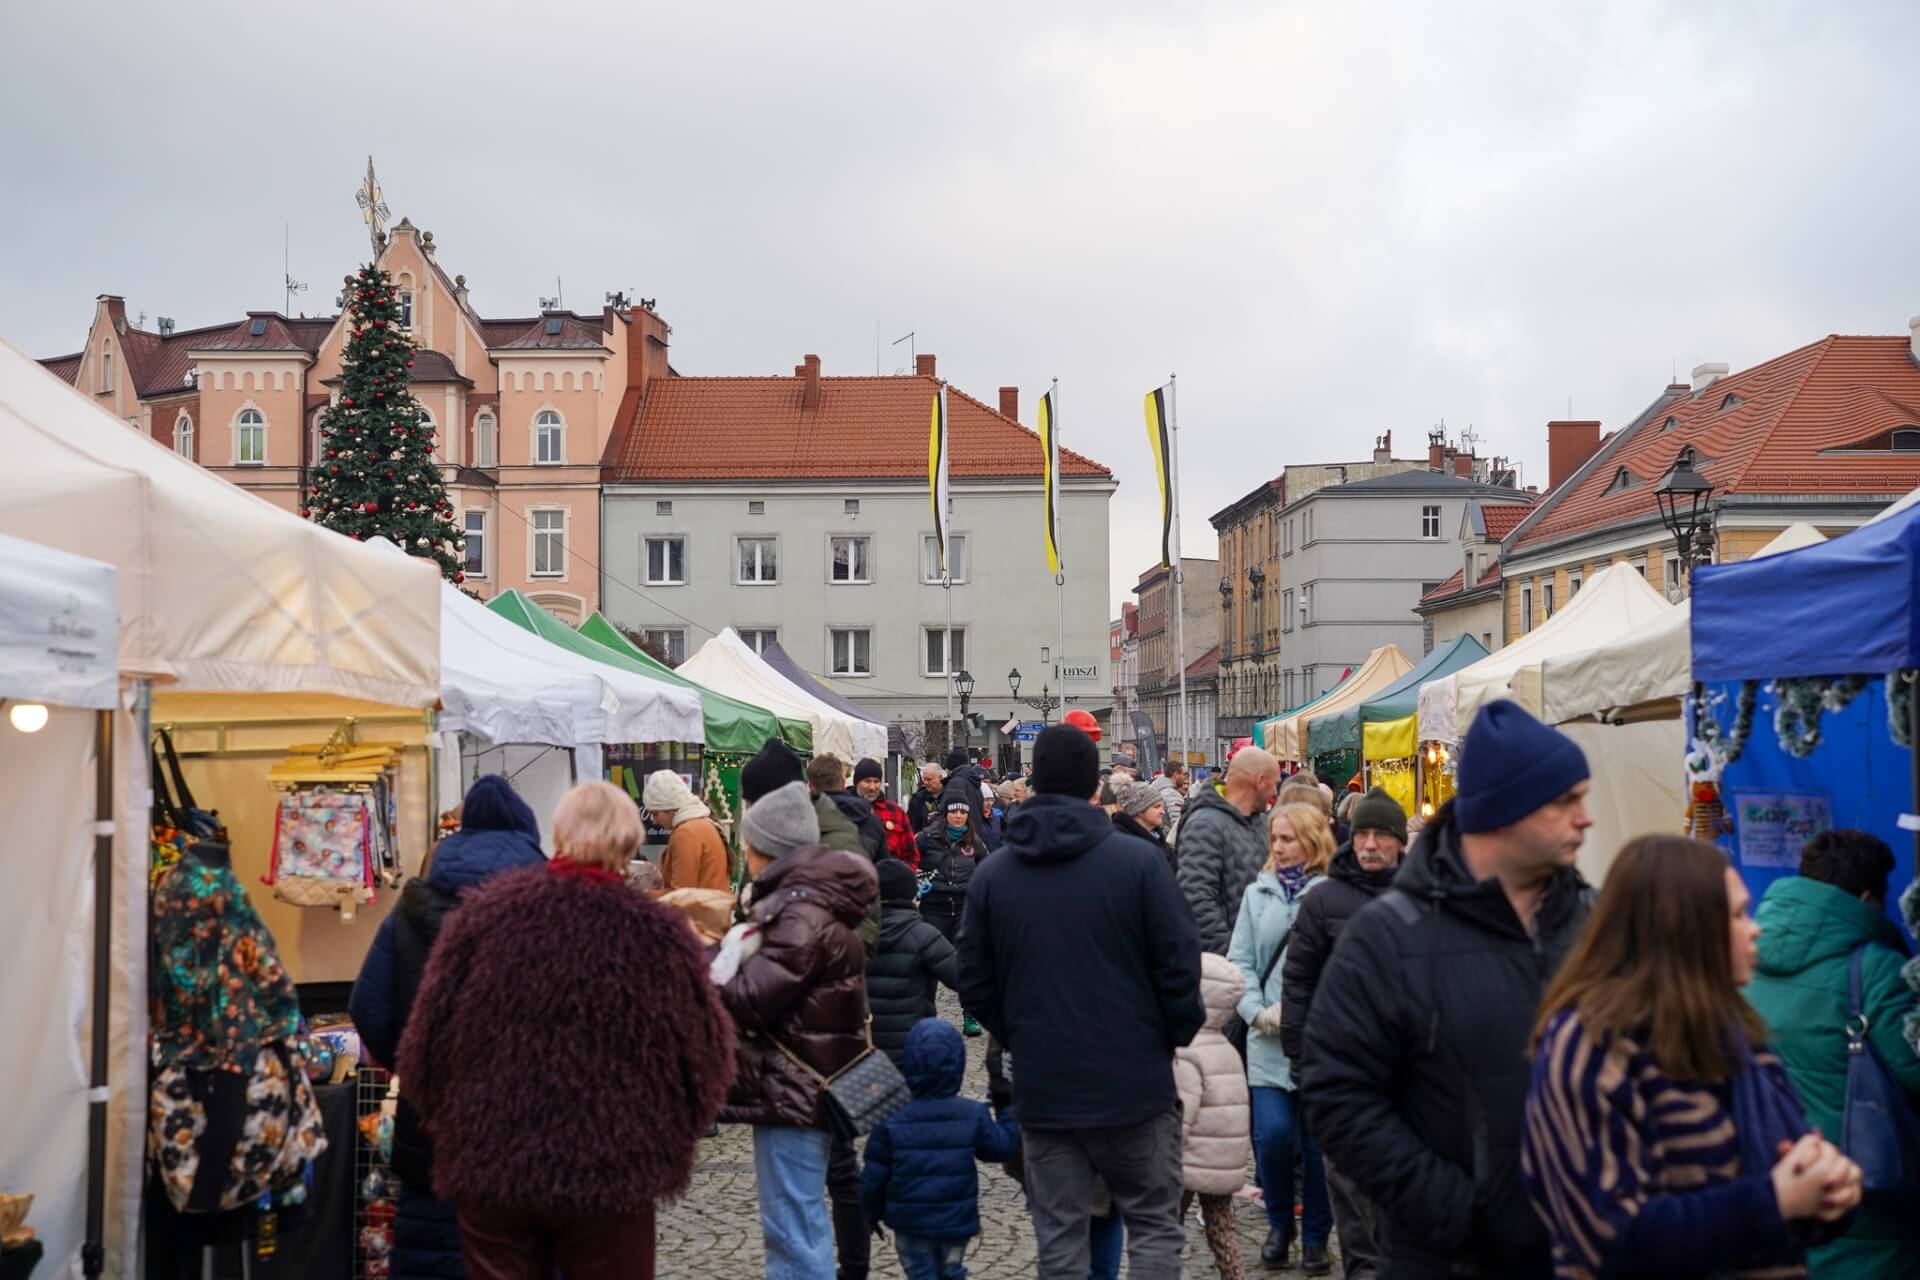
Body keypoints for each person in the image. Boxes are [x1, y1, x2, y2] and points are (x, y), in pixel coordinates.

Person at [1302, 700, 1595, 1278]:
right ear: (1505, 811)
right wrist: (1461, 1213)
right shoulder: (1386, 938)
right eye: (1566, 801)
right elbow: (1338, 1097)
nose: (1585, 818)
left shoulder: (1596, 920)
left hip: (1584, 1251)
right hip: (1444, 1259)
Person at [396, 781, 735, 1279]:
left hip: (494, 1165)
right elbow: (707, 1061)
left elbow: (422, 1049)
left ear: (558, 834)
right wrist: (663, 1137)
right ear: (627, 844)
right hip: (613, 1170)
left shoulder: (484, 918)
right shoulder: (659, 935)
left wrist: (459, 1129)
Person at [1524, 835, 1863, 1277]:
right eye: (1738, 914)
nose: (1755, 927)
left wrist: (1832, 1191)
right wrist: (1774, 1200)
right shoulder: (1589, 1048)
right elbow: (1607, 1237)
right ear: (1685, 927)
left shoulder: (1739, 1039)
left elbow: (1795, 1182)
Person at [956, 723, 1204, 1279]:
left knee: (1061, 1241)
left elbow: (972, 980)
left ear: (1035, 785)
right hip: (1136, 1083)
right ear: (1095, 788)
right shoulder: (1140, 864)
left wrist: (1021, 1029)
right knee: (1155, 1230)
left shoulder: (996, 876)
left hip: (1046, 1088)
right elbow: (1182, 967)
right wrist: (1166, 1037)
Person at [350, 775, 548, 1279]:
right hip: (527, 1126)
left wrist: (413, 1062)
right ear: (526, 833)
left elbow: (368, 1007)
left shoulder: (413, 907)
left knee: (433, 1248)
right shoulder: (550, 904)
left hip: (433, 1120)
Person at [716, 780, 878, 1280]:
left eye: (748, 843)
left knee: (792, 1231)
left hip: (796, 1092)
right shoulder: (814, 908)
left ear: (766, 849)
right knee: (799, 1223)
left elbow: (747, 1000)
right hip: (809, 1085)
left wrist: (702, 961)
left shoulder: (797, 917)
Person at [1745, 829, 1920, 1278]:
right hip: (1868, 1198)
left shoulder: (1745, 955)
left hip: (1778, 1181)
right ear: (1867, 899)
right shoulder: (1877, 968)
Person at [1278, 787, 1406, 1280]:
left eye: (1382, 835)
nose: (1371, 844)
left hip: (1406, 1066)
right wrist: (1300, 1054)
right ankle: (1363, 1268)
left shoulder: (1422, 894)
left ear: (1398, 841)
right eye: (1365, 833)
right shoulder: (1324, 899)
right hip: (1340, 1064)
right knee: (1347, 1179)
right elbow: (1300, 980)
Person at [1228, 802, 1334, 1275]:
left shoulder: (1331, 894)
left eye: (1288, 838)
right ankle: (1278, 1225)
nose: (1278, 846)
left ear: (1311, 839)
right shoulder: (1258, 894)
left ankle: (1315, 1237)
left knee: (1317, 1147)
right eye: (1275, 837)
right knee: (1271, 1138)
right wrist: (1255, 1012)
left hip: (1318, 1045)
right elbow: (1242, 962)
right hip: (1267, 1042)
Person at [858, 1019, 1021, 1280]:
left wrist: (868, 1215)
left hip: (910, 1223)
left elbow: (873, 1176)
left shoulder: (890, 1117)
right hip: (955, 1221)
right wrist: (1007, 1110)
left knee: (920, 1273)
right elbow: (1001, 1147)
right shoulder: (972, 1114)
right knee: (952, 1271)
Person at [1174, 952, 1253, 1280]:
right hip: (1223, 1165)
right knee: (1222, 1232)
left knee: (1165, 1230)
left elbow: (1182, 1114)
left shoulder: (1188, 1053)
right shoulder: (1228, 1049)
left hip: (1187, 1163)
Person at [1175, 745, 1281, 954]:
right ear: (1259, 781)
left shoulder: (1260, 821)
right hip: (1230, 966)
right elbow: (1195, 900)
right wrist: (1234, 955)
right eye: (1274, 784)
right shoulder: (1205, 824)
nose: (1275, 792)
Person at [918, 788, 996, 1036]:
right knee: (927, 963)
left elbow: (988, 870)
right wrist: (918, 881)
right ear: (946, 814)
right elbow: (909, 861)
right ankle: (925, 1014)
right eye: (954, 811)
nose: (959, 816)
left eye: (963, 811)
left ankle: (969, 1014)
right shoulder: (926, 838)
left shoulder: (975, 841)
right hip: (934, 906)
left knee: (967, 962)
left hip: (964, 907)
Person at [869, 859, 961, 1066]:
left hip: (865, 1048)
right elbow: (964, 978)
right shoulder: (923, 935)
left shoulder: (855, 932)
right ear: (911, 893)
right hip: (912, 1047)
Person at [642, 768, 732, 893]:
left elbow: (681, 896)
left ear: (670, 808)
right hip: (712, 908)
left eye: (655, 813)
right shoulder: (700, 824)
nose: (654, 821)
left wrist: (642, 895)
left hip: (699, 911)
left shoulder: (686, 833)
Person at [856, 758, 921, 866]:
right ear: (857, 783)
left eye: (876, 782)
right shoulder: (845, 809)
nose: (872, 787)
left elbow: (911, 855)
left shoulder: (896, 812)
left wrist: (902, 877)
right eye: (867, 781)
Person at [1111, 780, 1174, 873]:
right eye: (1157, 807)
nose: (1162, 811)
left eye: (1162, 807)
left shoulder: (1157, 836)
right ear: (1139, 810)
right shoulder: (1122, 841)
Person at [908, 763, 947, 837]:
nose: (925, 782)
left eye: (929, 779)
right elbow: (910, 826)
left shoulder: (949, 797)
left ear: (940, 778)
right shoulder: (917, 799)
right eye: (924, 779)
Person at [1149, 762, 1189, 830]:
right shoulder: (1173, 795)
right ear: (1176, 775)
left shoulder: (1156, 789)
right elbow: (1177, 826)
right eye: (1184, 774)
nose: (1185, 777)